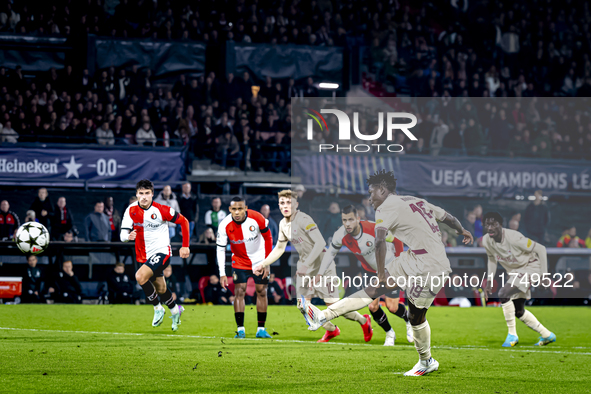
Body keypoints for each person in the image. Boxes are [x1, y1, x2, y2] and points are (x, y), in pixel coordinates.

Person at [302, 170, 473, 377]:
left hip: (431, 266)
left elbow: (380, 239)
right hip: (416, 257)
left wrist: (381, 271)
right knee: (374, 289)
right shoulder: (416, 200)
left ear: (382, 190)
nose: (370, 198)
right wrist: (462, 230)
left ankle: (426, 361)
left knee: (416, 315)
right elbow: (449, 218)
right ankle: (322, 316)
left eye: (371, 192)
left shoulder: (386, 207)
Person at [254, 190, 372, 343]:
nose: (285, 206)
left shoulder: (304, 219)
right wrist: (263, 263)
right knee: (302, 304)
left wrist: (306, 265)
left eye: (289, 203)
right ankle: (331, 330)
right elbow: (279, 248)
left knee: (334, 306)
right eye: (282, 203)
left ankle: (363, 320)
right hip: (306, 265)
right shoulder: (283, 224)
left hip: (322, 263)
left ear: (296, 205)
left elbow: (320, 243)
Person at [317, 205, 413, 346]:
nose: (347, 223)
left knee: (392, 307)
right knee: (372, 307)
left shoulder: (373, 229)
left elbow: (397, 241)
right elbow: (330, 253)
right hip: (369, 271)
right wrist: (319, 273)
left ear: (358, 219)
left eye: (350, 219)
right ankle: (389, 333)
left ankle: (409, 321)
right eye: (344, 220)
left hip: (390, 269)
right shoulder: (340, 235)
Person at [120, 179, 190, 331]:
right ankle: (175, 311)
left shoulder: (162, 209)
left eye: (147, 193)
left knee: (140, 276)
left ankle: (158, 308)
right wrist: (127, 237)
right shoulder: (131, 210)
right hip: (144, 256)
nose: (144, 197)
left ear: (152, 194)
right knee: (161, 288)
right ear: (136, 194)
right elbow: (122, 234)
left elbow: (184, 221)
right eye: (141, 194)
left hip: (162, 252)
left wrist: (185, 246)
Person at [483, 211, 556, 348]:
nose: (490, 227)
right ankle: (547, 334)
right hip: (516, 272)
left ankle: (512, 335)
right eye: (487, 224)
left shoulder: (514, 237)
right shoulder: (486, 240)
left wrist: (544, 276)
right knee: (518, 311)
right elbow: (492, 259)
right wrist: (489, 280)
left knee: (503, 294)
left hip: (531, 266)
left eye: (493, 224)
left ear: (501, 225)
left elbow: (541, 249)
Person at [216, 196, 273, 338]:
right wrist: (222, 273)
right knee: (239, 292)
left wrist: (267, 263)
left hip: (259, 261)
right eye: (234, 209)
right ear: (229, 209)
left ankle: (261, 329)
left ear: (245, 209)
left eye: (240, 209)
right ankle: (240, 329)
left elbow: (268, 238)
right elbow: (220, 249)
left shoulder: (257, 218)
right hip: (239, 262)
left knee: (261, 291)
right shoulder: (224, 224)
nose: (237, 212)